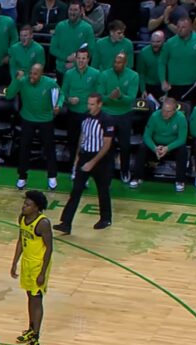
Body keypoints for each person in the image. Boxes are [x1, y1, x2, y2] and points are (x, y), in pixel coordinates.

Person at [55, 94, 115, 234]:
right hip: (85, 155)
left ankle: (106, 219)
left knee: (103, 190)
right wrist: (77, 156)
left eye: (92, 104)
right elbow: (82, 136)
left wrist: (92, 162)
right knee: (75, 191)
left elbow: (107, 145)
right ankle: (66, 223)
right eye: (88, 104)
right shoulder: (85, 117)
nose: (89, 107)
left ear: (99, 104)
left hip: (100, 159)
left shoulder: (107, 120)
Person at [10, 190, 53, 345]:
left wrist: (42, 272)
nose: (24, 207)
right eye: (24, 203)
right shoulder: (22, 218)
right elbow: (21, 240)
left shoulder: (43, 223)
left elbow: (49, 248)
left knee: (36, 299)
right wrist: (14, 262)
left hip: (39, 264)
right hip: (27, 262)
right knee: (30, 296)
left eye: (28, 205)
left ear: (37, 208)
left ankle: (36, 339)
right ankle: (30, 328)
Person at [6, 63, 62, 191]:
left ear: (41, 74)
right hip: (27, 118)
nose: (32, 76)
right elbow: (9, 95)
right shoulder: (23, 81)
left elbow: (61, 94)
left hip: (45, 119)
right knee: (24, 148)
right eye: (31, 73)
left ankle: (52, 176)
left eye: (35, 74)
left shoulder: (49, 83)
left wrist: (58, 105)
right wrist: (16, 79)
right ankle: (22, 176)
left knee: (49, 148)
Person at [132, 97, 189, 191]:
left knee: (183, 149)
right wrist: (154, 148)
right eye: (163, 110)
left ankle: (180, 180)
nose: (164, 113)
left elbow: (182, 139)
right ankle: (137, 177)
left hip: (172, 145)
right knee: (142, 147)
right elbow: (146, 136)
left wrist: (167, 148)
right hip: (156, 145)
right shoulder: (155, 116)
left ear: (174, 111)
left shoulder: (181, 118)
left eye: (168, 111)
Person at [99, 52, 139, 184]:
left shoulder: (133, 76)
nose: (116, 64)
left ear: (125, 63)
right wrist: (109, 97)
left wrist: (120, 96)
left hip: (124, 114)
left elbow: (131, 99)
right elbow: (100, 97)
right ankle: (108, 172)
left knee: (124, 146)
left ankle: (125, 170)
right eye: (115, 62)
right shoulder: (104, 74)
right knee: (108, 146)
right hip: (107, 115)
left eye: (119, 62)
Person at [61, 49, 100, 169]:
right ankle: (74, 167)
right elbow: (63, 93)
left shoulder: (95, 74)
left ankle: (86, 167)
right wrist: (69, 99)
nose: (81, 61)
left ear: (88, 59)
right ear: (75, 59)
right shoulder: (69, 74)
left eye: (83, 58)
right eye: (79, 58)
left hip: (88, 114)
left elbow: (98, 95)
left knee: (87, 143)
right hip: (72, 113)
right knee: (72, 141)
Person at [159, 14, 196, 107]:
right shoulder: (170, 43)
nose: (180, 29)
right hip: (174, 87)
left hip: (195, 86)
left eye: (183, 27)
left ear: (190, 28)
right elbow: (161, 62)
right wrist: (163, 81)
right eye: (178, 27)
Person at [51, 0, 96, 78]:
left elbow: (91, 50)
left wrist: (75, 63)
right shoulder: (60, 26)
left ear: (81, 11)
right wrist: (66, 57)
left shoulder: (87, 28)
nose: (72, 12)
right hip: (61, 69)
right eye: (70, 10)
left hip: (79, 71)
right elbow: (53, 49)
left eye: (75, 10)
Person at [136, 30, 165, 99]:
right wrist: (143, 90)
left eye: (158, 42)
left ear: (163, 41)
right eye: (153, 41)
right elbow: (141, 74)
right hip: (148, 86)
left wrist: (167, 93)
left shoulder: (168, 52)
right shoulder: (144, 52)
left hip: (163, 86)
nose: (155, 44)